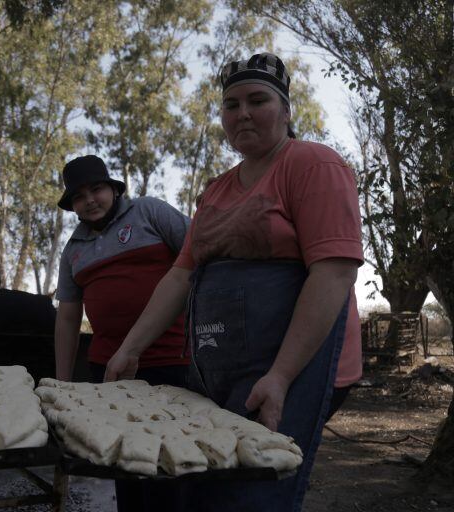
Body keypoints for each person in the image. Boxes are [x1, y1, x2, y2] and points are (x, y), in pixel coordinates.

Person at [105, 52, 363, 512]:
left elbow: (334, 272)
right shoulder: (217, 190)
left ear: (286, 111)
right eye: (230, 104)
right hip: (220, 368)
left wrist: (281, 375)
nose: (242, 113)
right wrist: (131, 348)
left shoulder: (313, 165)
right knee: (205, 483)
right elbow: (181, 275)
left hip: (292, 367)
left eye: (257, 100)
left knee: (254, 491)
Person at [54, 154, 190, 512]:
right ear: (73, 206)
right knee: (123, 460)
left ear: (113, 189)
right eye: (80, 196)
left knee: (169, 462)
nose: (90, 200)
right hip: (108, 371)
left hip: (171, 361)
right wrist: (62, 384)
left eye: (96, 189)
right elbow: (68, 318)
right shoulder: (73, 251)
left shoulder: (149, 212)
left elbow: (199, 254)